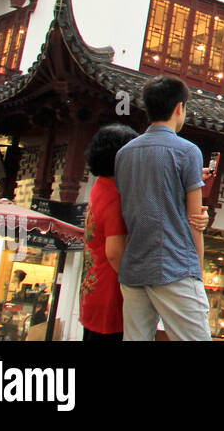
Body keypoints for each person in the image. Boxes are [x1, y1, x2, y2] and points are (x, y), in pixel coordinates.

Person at [115, 77, 212, 341]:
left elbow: (143, 197)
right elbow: (195, 220)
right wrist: (198, 273)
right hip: (175, 266)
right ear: (180, 108)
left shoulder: (124, 154)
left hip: (134, 268)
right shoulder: (188, 152)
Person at [79, 124, 138, 342]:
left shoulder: (100, 187)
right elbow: (115, 253)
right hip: (112, 297)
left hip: (95, 290)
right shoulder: (116, 195)